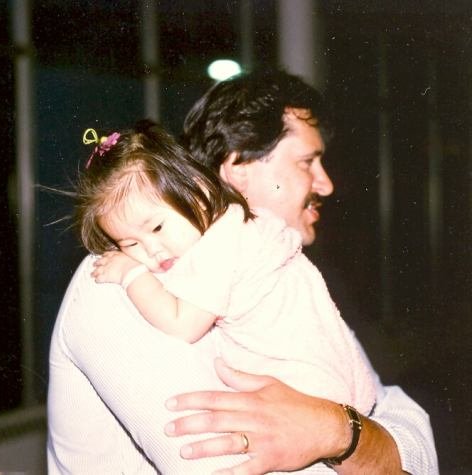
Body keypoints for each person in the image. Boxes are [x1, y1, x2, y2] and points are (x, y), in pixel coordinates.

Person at [47, 71, 438, 474]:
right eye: (307, 161)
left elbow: (402, 417)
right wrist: (353, 438)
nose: (326, 184)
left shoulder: (279, 277)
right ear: (238, 168)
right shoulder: (124, 284)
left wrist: (338, 431)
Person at [83, 121, 376, 419]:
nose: (151, 250)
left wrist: (131, 274)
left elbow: (183, 325)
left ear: (198, 193)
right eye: (129, 244)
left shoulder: (222, 242)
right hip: (330, 387)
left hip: (307, 386)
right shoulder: (233, 225)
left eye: (157, 227)